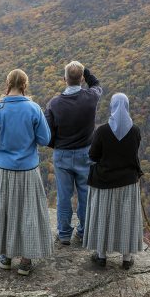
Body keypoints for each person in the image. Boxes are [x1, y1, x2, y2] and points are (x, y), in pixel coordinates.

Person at [0, 69, 53, 275]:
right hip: (28, 170)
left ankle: (5, 257)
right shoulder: (34, 109)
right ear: (25, 84)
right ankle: (26, 260)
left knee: (4, 212)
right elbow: (45, 140)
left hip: (3, 170)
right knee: (28, 213)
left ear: (7, 83)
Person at [83, 93, 143, 269]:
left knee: (103, 217)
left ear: (112, 106)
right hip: (128, 182)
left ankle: (101, 256)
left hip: (104, 180)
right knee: (126, 218)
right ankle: (126, 258)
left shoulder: (102, 131)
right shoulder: (135, 131)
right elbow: (134, 154)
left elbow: (93, 155)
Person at [45, 61, 102, 245]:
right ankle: (84, 232)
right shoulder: (91, 97)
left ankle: (63, 234)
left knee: (64, 195)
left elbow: (47, 134)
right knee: (85, 194)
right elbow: (97, 85)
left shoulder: (54, 103)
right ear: (82, 79)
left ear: (64, 79)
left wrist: (57, 145)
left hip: (62, 154)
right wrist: (85, 71)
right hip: (86, 153)